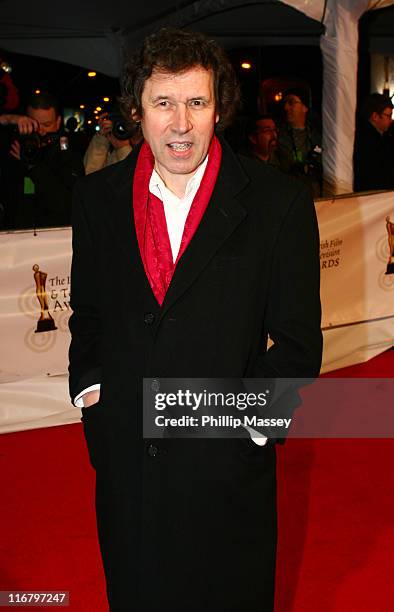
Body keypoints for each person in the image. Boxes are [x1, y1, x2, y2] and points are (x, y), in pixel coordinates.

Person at [69, 27, 322, 611]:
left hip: (225, 470)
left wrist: (248, 432)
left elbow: (296, 343)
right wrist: (93, 399)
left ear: (219, 109)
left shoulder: (277, 202)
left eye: (197, 102)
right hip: (128, 465)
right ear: (138, 109)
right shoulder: (97, 198)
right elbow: (90, 314)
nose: (180, 122)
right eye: (164, 102)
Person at [3, 92, 84, 229]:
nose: (40, 131)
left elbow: (66, 206)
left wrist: (34, 167)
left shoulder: (68, 155)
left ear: (58, 122)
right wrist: (9, 119)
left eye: (46, 124)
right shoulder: (14, 147)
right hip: (12, 237)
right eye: (34, 124)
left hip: (52, 239)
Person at [277, 87, 322, 198]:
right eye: (285, 103)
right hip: (288, 194)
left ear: (305, 107)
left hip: (314, 195)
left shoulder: (317, 136)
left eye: (291, 102)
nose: (286, 107)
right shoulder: (278, 135)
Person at [353, 93, 394, 192]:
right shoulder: (369, 140)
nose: (391, 120)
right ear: (375, 116)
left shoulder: (376, 137)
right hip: (371, 195)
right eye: (388, 115)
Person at [84, 109, 141, 174]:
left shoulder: (148, 146)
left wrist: (123, 149)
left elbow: (134, 178)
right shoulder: (113, 148)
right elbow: (91, 176)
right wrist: (101, 138)